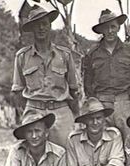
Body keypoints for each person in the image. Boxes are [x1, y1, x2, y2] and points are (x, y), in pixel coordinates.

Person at [11, 5, 79, 147]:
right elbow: (17, 92)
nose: (41, 28)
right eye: (37, 25)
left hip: (61, 111)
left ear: (50, 25)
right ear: (32, 29)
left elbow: (74, 90)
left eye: (44, 24)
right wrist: (28, 112)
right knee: (32, 155)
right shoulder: (22, 56)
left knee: (67, 153)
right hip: (33, 109)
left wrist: (75, 116)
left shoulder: (64, 55)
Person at [83, 9, 130, 139]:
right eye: (106, 28)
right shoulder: (92, 53)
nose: (110, 31)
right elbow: (87, 80)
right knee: (104, 141)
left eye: (113, 26)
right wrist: (94, 103)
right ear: (101, 30)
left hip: (125, 102)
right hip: (102, 104)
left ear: (119, 27)